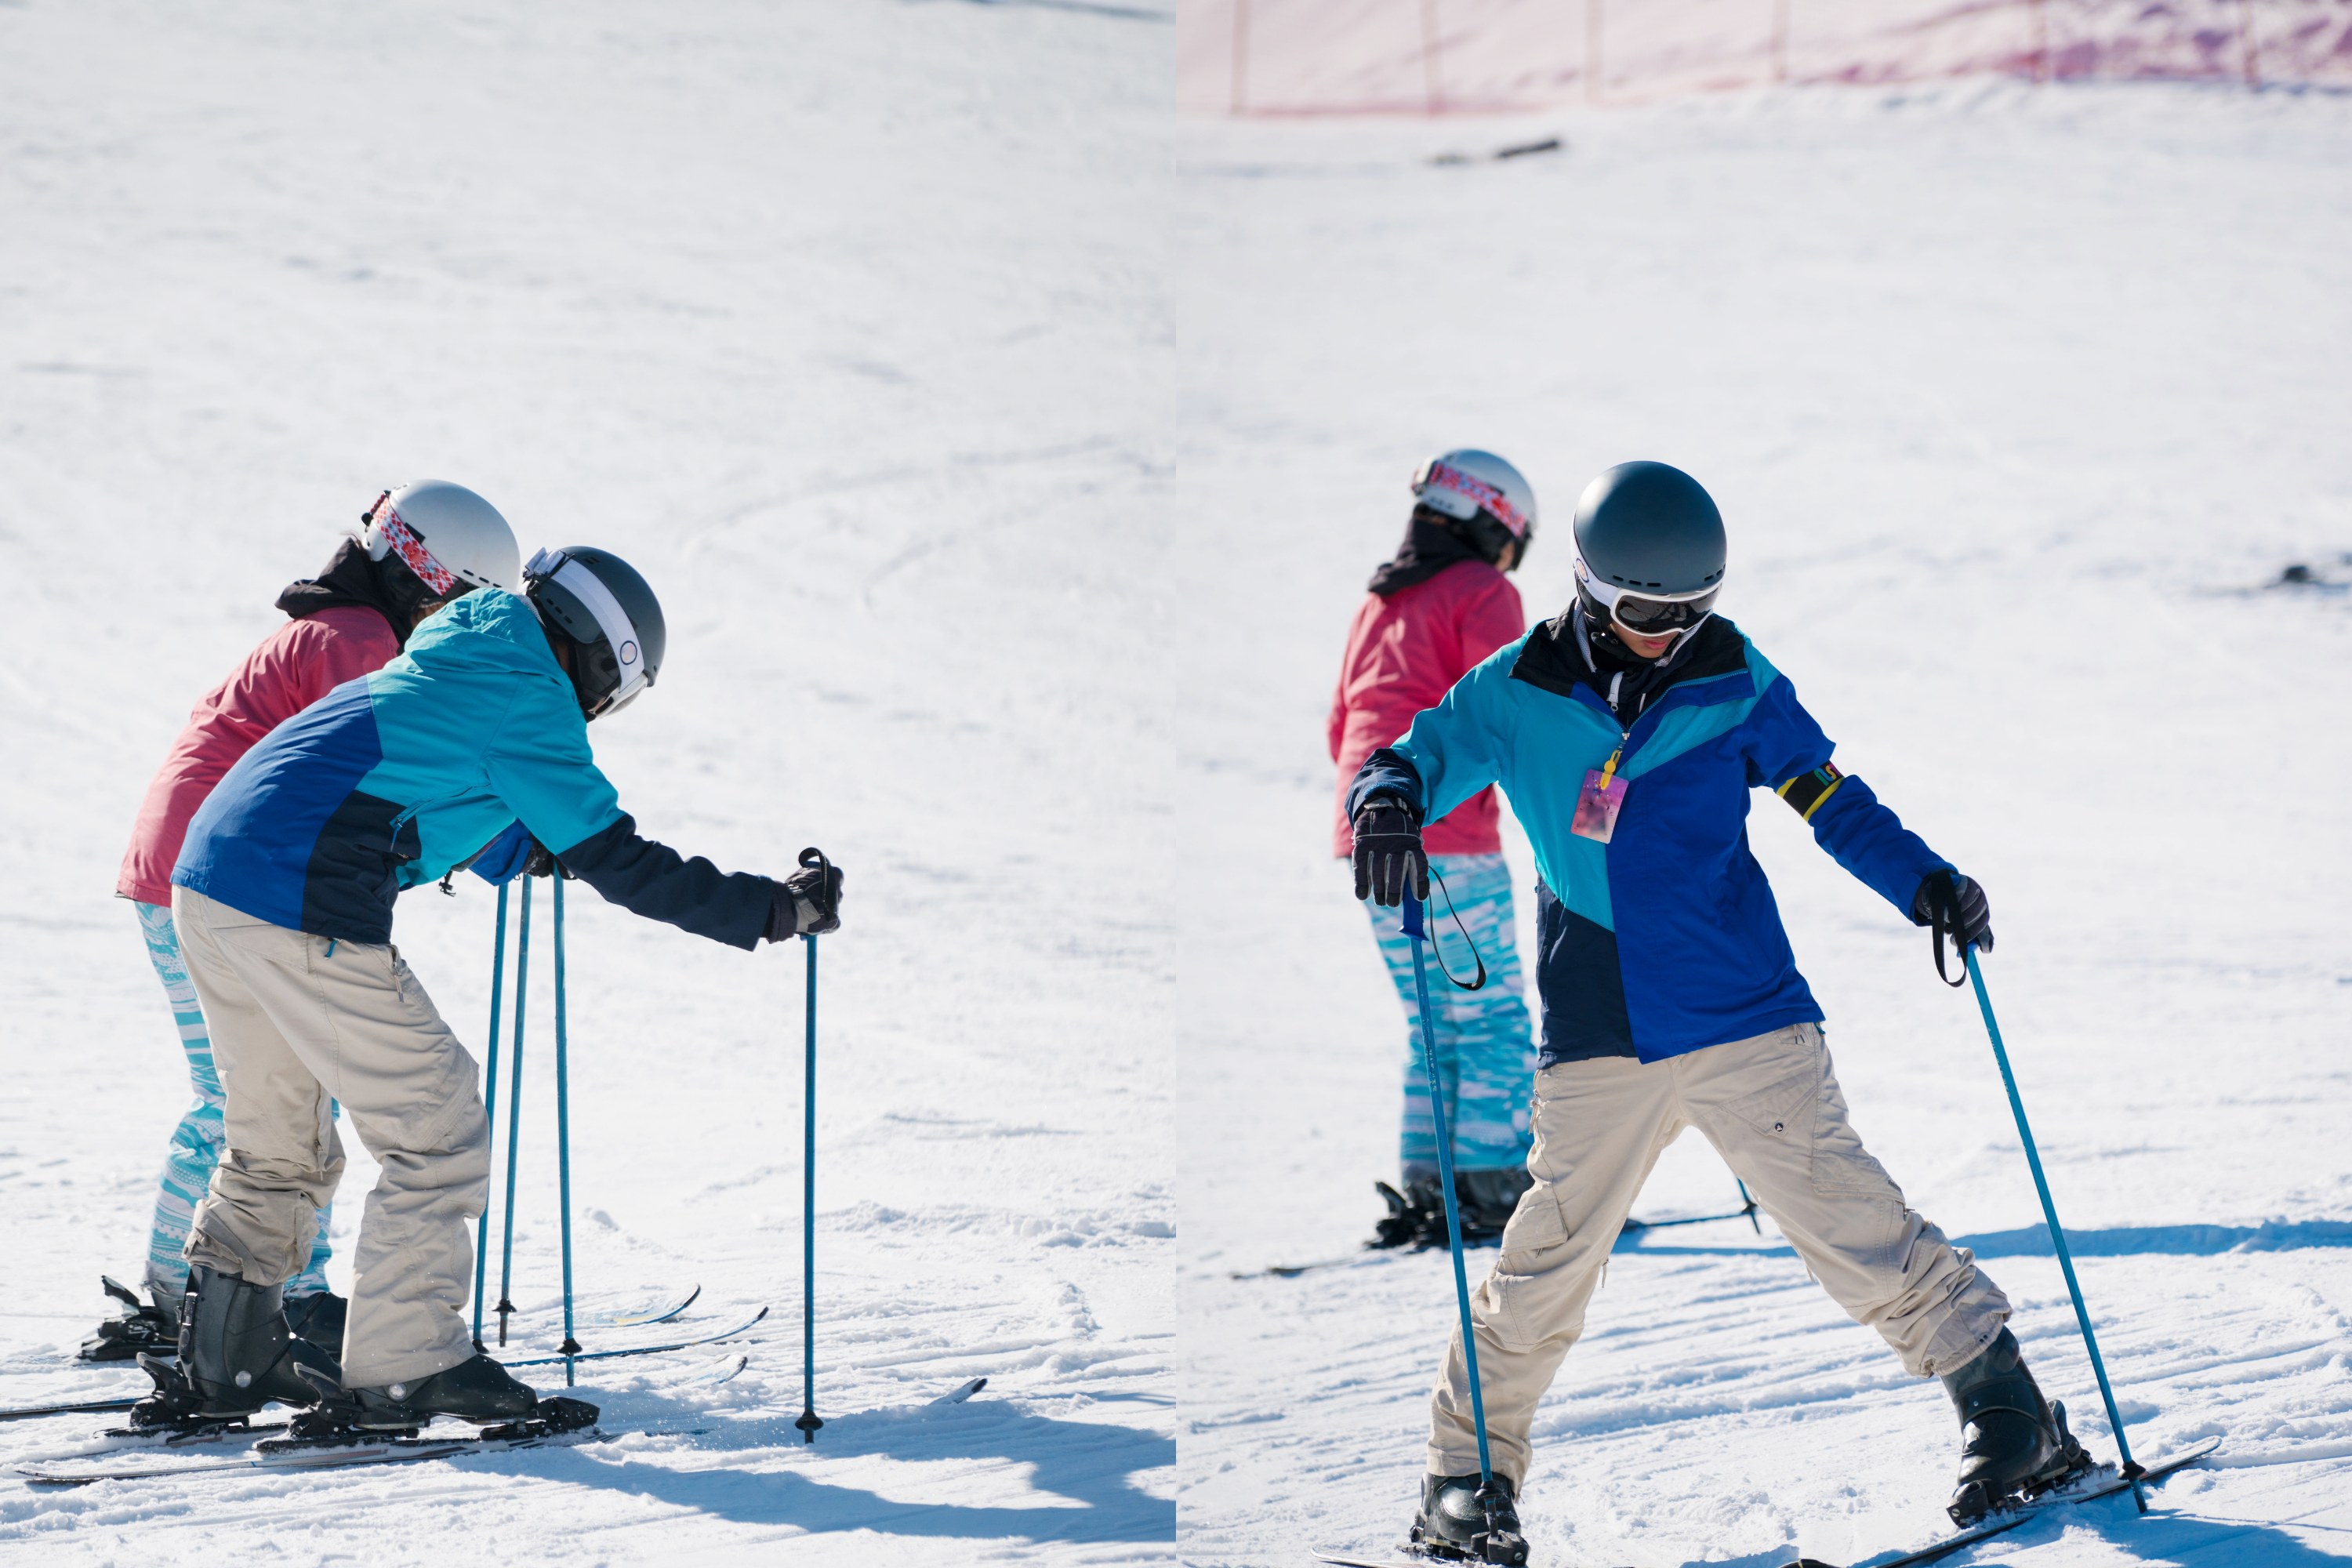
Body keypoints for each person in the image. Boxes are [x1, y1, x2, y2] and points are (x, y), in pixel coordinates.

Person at [1348, 462, 2066, 1563]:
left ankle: (2011, 1413)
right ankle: (1467, 1480)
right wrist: (1387, 801)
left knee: (1854, 1229)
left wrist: (1923, 880)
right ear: (1591, 588)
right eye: (1647, 613)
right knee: (1545, 1268)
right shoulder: (1514, 686)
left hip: (1746, 1012)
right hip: (1599, 1029)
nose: (1670, 635)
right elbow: (1413, 755)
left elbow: (1828, 796)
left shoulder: (1731, 675)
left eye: (1694, 611)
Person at [132, 545, 844, 1433]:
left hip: (209, 879)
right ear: (603, 661)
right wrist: (772, 908)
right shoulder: (530, 694)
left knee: (276, 1138)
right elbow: (620, 859)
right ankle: (406, 1364)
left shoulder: (460, 642)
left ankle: (226, 1359)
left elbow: (425, 782)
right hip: (293, 893)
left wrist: (542, 851)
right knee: (437, 1125)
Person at [88, 482, 521, 1364]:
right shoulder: (355, 642)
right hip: (213, 879)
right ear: (429, 579)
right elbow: (390, 760)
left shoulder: (343, 631)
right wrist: (510, 832)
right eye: (463, 603)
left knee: (272, 1093)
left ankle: (239, 1288)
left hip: (195, 872)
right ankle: (202, 1295)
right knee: (254, 1098)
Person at [1328, 452, 1539, 1251]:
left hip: (1367, 840)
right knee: (1493, 1021)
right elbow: (1512, 705)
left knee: (1434, 1021)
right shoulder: (1484, 592)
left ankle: (1430, 1183)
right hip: (1446, 834)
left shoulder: (1376, 605)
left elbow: (1339, 725)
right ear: (1494, 522)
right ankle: (1489, 1183)